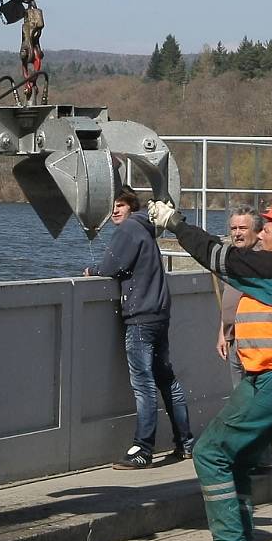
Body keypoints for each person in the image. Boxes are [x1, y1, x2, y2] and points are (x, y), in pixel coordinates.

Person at [148, 198, 272, 541]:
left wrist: (177, 224)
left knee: (210, 452)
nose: (263, 232)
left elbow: (218, 256)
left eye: (270, 227)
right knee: (236, 459)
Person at [84, 186, 194, 469]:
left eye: (120, 205)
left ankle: (143, 449)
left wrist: (92, 271)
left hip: (141, 317)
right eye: (112, 206)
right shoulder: (145, 228)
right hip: (158, 314)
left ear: (131, 207)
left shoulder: (129, 230)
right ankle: (186, 443)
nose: (115, 211)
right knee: (166, 380)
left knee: (143, 384)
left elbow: (111, 266)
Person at [215, 206, 272, 473]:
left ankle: (261, 457)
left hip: (256, 341)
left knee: (255, 402)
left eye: (243, 228)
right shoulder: (234, 258)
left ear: (257, 232)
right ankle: (246, 454)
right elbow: (229, 298)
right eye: (234, 228)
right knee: (240, 400)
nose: (237, 234)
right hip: (235, 338)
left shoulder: (262, 261)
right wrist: (223, 331)